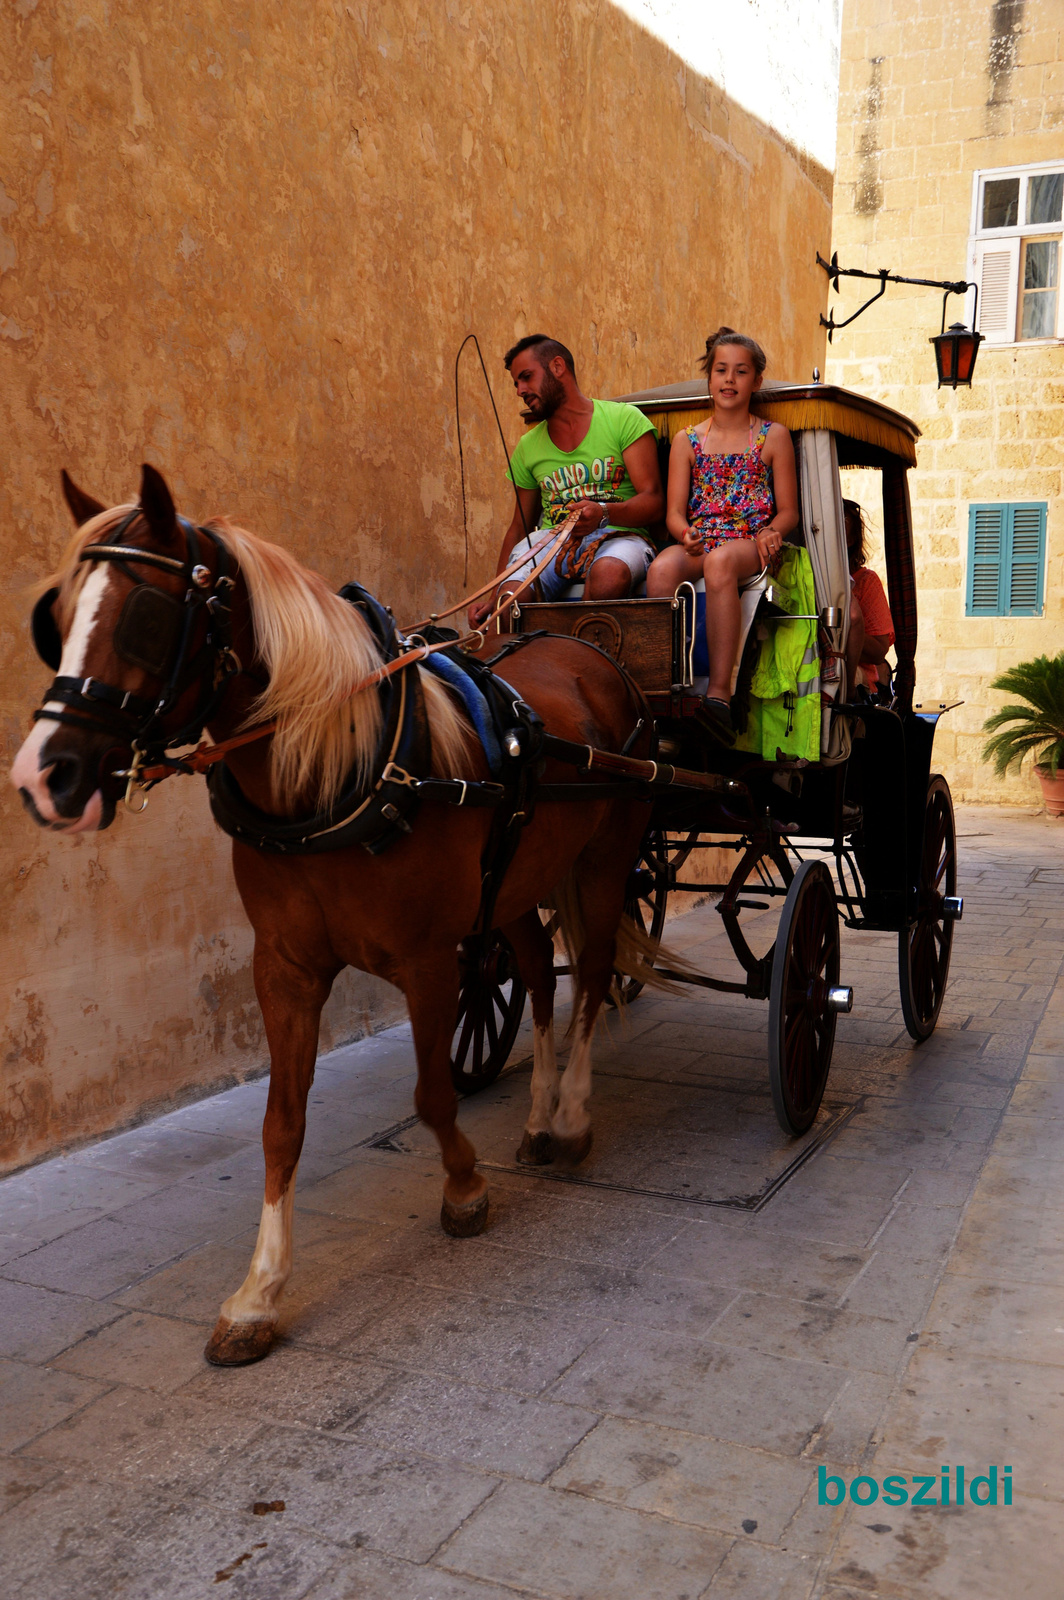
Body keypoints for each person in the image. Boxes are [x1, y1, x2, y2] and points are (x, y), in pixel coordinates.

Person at [645, 327, 798, 739]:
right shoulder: (687, 440)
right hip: (703, 537)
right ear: (709, 379)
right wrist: (684, 533)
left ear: (756, 381)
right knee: (660, 569)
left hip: (750, 542)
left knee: (720, 561)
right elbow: (675, 513)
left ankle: (719, 695)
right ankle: (660, 685)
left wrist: (771, 532)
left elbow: (789, 512)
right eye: (721, 371)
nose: (729, 379)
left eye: (740, 372)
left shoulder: (773, 436)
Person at [468, 336, 664, 627]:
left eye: (526, 377)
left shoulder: (624, 420)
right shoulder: (527, 446)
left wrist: (604, 513)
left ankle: (583, 662)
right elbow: (520, 525)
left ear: (557, 366)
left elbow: (654, 501)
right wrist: (494, 591)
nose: (521, 390)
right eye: (516, 384)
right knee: (508, 602)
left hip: (621, 536)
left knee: (608, 577)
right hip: (552, 541)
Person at [843, 499, 894, 698]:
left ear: (851, 539)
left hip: (856, 673)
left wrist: (842, 631)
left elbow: (879, 652)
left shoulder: (865, 581)